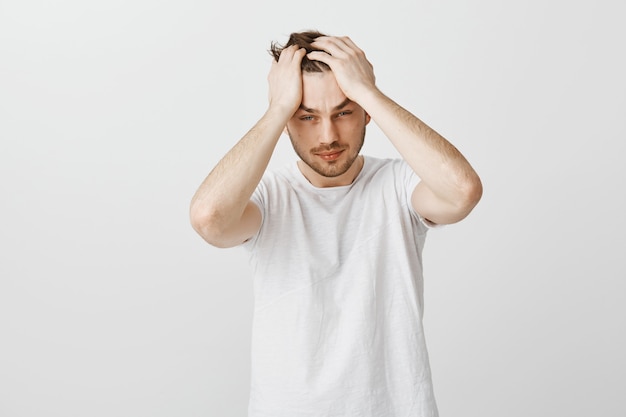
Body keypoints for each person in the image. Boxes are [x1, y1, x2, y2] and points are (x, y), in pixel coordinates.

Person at [190, 30, 482, 417]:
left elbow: (462, 192)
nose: (327, 136)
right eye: (306, 116)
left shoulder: (398, 186)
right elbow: (210, 219)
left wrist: (370, 93)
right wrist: (277, 109)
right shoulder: (268, 196)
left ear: (365, 113)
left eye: (344, 112)